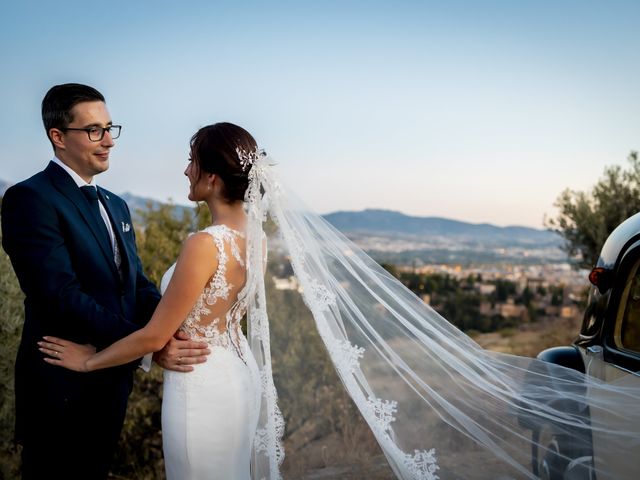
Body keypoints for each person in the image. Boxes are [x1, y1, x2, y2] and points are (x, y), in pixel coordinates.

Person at [40, 121, 640, 480]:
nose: (186, 169)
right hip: (234, 376)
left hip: (201, 387)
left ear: (214, 178)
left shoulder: (202, 243)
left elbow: (154, 335)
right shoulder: (253, 238)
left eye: (193, 161)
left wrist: (87, 361)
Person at [0, 83, 209, 479]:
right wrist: (148, 346)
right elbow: (60, 296)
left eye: (110, 128)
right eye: (94, 130)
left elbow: (137, 285)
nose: (109, 141)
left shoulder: (116, 203)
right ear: (58, 137)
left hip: (111, 386)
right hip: (60, 387)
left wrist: (168, 331)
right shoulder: (30, 199)